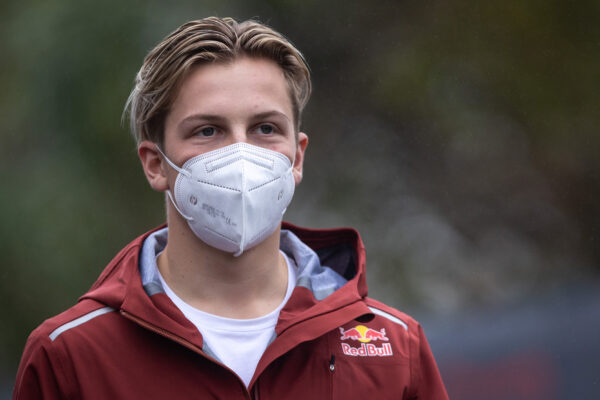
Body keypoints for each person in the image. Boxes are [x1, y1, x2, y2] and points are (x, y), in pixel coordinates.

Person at [13, 17, 449, 399]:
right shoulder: (71, 356)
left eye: (265, 127)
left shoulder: (393, 349)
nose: (241, 156)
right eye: (207, 131)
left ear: (296, 158)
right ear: (155, 165)